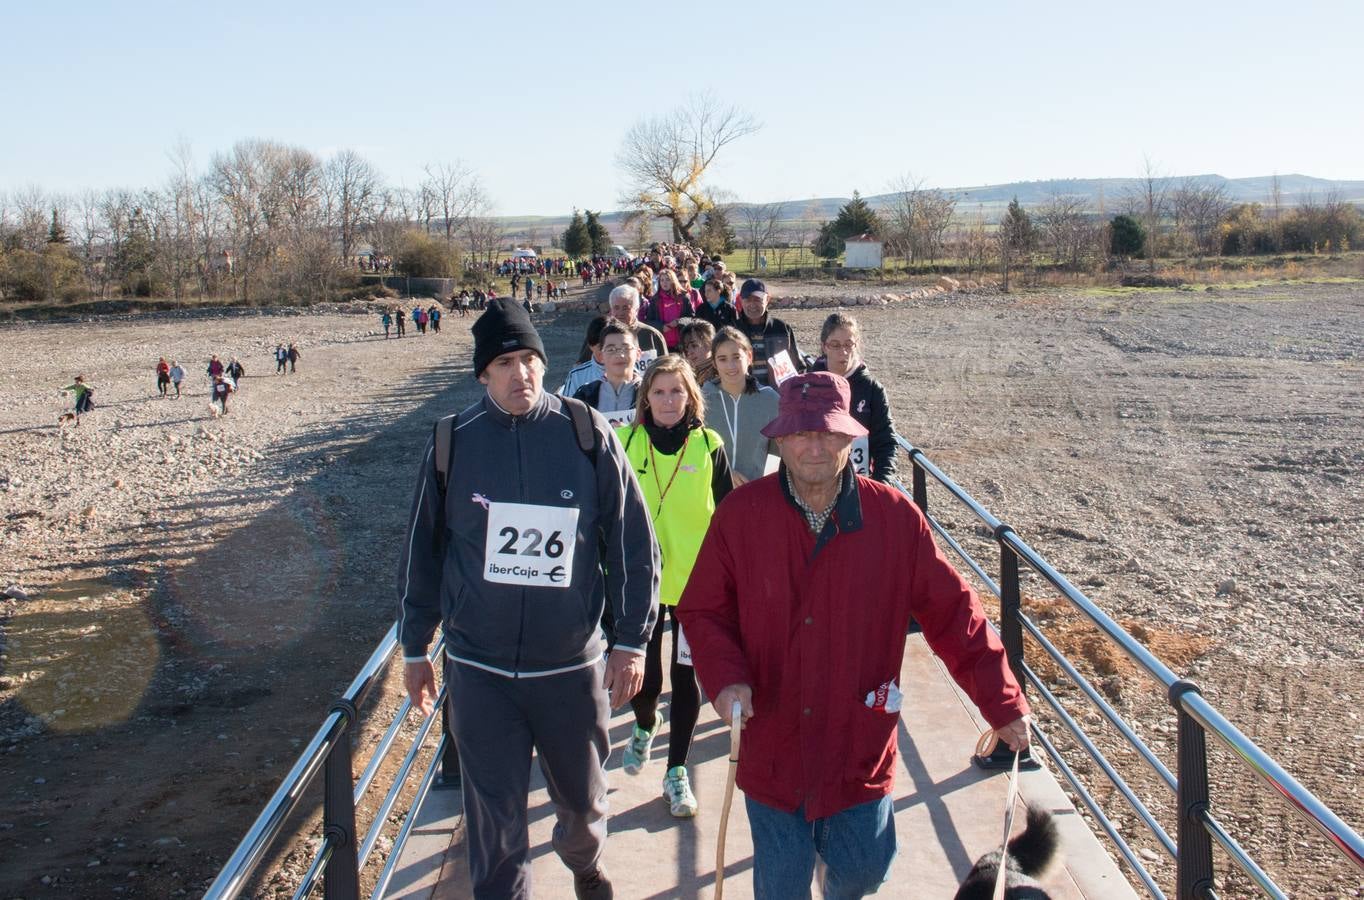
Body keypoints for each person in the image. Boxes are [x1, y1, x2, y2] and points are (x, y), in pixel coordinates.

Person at [677, 372, 1031, 900]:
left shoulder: (893, 518)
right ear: (779, 439)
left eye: (827, 433)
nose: (813, 445)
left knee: (866, 869)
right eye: (799, 433)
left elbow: (954, 612)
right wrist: (727, 680)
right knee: (780, 887)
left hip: (856, 740)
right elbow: (703, 609)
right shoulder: (741, 516)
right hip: (772, 737)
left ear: (850, 438)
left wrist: (1002, 703)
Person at [398, 298, 660, 900]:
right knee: (495, 825)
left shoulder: (585, 432)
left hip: (569, 669)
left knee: (580, 806)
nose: (521, 373)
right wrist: (415, 647)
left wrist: (630, 641)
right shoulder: (451, 443)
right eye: (506, 363)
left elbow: (632, 543)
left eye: (530, 360)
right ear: (483, 374)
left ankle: (586, 868)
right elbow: (422, 554)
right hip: (480, 670)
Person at [613, 355, 732, 817]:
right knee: (645, 677)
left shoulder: (708, 444)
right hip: (640, 582)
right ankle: (645, 723)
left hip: (695, 586)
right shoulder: (624, 442)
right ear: (645, 398)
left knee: (686, 678)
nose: (667, 400)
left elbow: (727, 517)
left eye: (676, 392)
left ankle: (675, 772)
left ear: (691, 397)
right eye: (659, 392)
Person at [810, 313, 897, 482]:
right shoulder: (808, 385)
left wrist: (882, 484)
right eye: (835, 345)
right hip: (817, 483)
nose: (843, 352)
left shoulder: (872, 389)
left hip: (858, 482)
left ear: (857, 345)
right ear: (824, 346)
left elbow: (886, 443)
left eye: (849, 345)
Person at [702, 327, 780, 486]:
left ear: (749, 357)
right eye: (722, 359)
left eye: (736, 357)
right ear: (714, 363)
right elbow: (694, 453)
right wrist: (723, 472)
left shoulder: (771, 400)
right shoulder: (701, 401)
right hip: (712, 495)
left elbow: (778, 455)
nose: (730, 366)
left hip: (756, 496)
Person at [736, 279, 805, 388]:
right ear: (741, 300)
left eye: (757, 299)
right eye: (748, 299)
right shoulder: (733, 331)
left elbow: (798, 365)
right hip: (744, 397)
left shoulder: (781, 329)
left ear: (767, 299)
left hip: (778, 397)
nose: (752, 304)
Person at [573, 320, 641, 416]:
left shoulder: (650, 394)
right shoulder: (584, 395)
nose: (619, 355)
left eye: (626, 348)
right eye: (611, 349)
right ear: (601, 356)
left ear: (638, 354)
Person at [604, 283, 666, 363]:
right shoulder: (601, 335)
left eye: (625, 308)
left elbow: (665, 368)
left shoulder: (652, 335)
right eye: (616, 308)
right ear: (611, 310)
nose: (621, 313)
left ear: (636, 310)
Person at [560, 315, 609, 398]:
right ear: (591, 346)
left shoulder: (631, 371)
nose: (606, 352)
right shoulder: (577, 375)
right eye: (601, 347)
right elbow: (567, 407)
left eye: (611, 347)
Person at [648, 269, 694, 351]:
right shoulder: (655, 299)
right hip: (662, 342)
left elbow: (692, 318)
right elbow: (649, 321)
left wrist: (678, 322)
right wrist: (661, 327)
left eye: (667, 279)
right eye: (662, 280)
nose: (664, 283)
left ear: (673, 281)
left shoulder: (684, 297)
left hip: (681, 343)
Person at [679, 320, 716, 385]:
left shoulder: (722, 374)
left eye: (694, 346)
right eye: (686, 347)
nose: (689, 352)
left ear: (709, 344)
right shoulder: (686, 375)